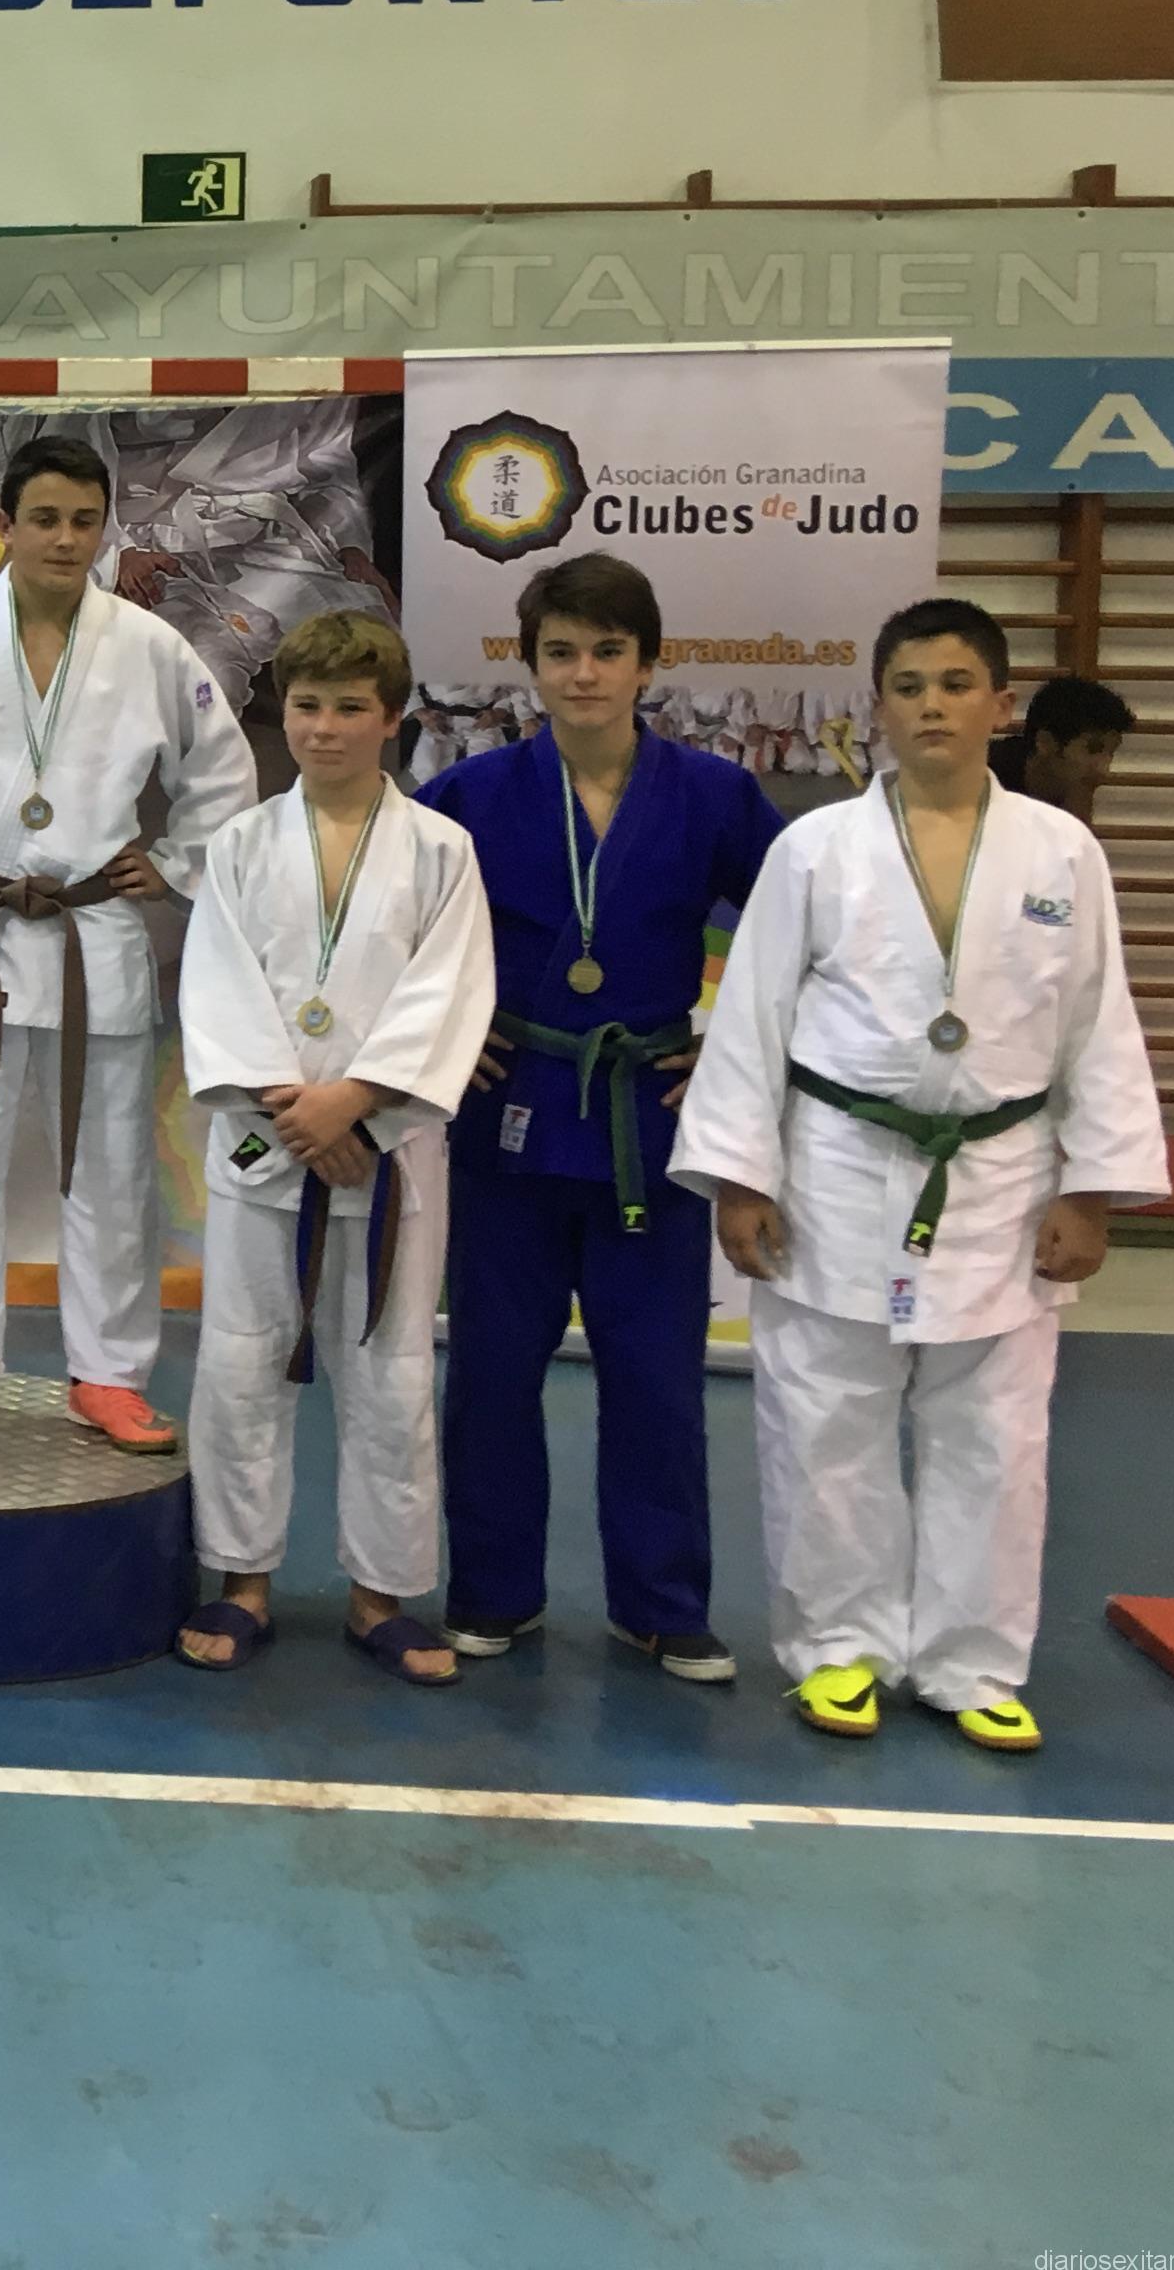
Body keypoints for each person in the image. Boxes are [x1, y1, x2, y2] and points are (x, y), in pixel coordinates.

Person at [670, 599, 1169, 1753]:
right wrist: (742, 1175)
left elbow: (1097, 1024)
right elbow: (753, 1018)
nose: (932, 706)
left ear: (1002, 704)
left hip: (1004, 1177)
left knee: (997, 1436)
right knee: (825, 1421)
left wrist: (1091, 1188)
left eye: (955, 685)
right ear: (878, 707)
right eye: (908, 687)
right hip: (837, 1168)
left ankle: (972, 1661)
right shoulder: (816, 850)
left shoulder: (1062, 852)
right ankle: (837, 1650)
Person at [420, 553, 781, 1683]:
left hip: (647, 1123)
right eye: (562, 652)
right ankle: (492, 1590)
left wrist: (734, 1047)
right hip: (508, 1116)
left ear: (647, 664)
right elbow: (394, 936)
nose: (585, 673)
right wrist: (439, 1039)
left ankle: (662, 1604)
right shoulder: (468, 798)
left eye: (608, 652)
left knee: (657, 1377)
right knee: (490, 1373)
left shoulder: (714, 795)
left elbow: (806, 935)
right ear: (529, 665)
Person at [0, 432, 260, 1451]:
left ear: (104, 530)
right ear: (4, 525)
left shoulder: (149, 646)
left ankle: (110, 1373)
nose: (65, 539)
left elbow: (221, 775)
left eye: (85, 522)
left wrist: (174, 862)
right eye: (44, 519)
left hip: (94, 934)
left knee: (111, 1172)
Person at [173, 612, 496, 1685]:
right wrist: (299, 1119)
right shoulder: (239, 844)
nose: (324, 728)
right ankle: (242, 1581)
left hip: (389, 1152)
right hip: (268, 1150)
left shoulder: (441, 851)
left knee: (392, 1372)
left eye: (351, 708)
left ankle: (379, 1596)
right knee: (239, 1360)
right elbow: (218, 988)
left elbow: (450, 993)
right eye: (307, 707)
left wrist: (357, 1105)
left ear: (392, 719)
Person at [994, 673, 1132, 824]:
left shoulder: (1070, 796)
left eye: (1111, 752)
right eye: (1092, 749)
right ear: (1045, 743)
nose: (1103, 770)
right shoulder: (985, 782)